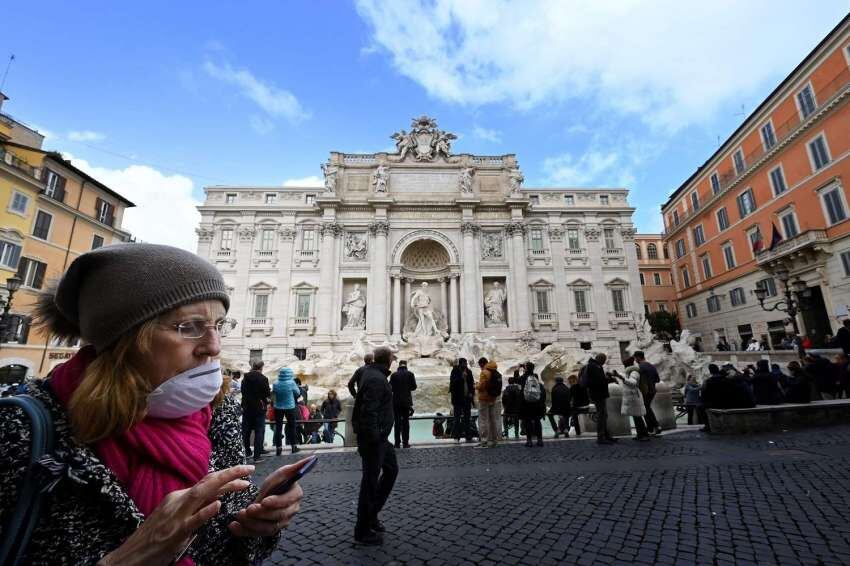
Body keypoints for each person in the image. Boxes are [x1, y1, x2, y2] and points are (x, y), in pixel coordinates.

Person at [0, 243, 303, 564]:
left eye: (219, 325)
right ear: (127, 338)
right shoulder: (20, 431)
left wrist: (255, 521)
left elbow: (230, 546)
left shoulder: (216, 413)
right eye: (190, 327)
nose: (213, 347)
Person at [352, 346, 398, 546]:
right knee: (370, 483)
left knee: (391, 470)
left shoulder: (372, 373)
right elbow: (368, 411)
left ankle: (372, 515)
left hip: (380, 437)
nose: (393, 360)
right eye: (392, 358)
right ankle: (362, 530)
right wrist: (373, 439)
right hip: (374, 439)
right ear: (387, 360)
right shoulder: (375, 379)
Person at [242, 360, 271, 462]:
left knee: (246, 430)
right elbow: (267, 393)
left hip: (247, 408)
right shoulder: (263, 379)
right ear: (261, 368)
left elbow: (243, 392)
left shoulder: (245, 378)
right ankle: (257, 455)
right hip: (259, 407)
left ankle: (247, 451)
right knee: (259, 431)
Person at [582, 353, 615, 445]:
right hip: (598, 394)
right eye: (603, 361)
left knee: (603, 415)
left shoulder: (593, 366)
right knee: (601, 415)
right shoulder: (595, 367)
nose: (604, 363)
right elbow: (599, 381)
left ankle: (606, 435)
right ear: (600, 359)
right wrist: (610, 379)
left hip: (597, 394)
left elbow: (597, 380)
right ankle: (601, 437)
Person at [273, 367, 303, 455]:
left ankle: (278, 448)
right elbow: (297, 393)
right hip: (290, 407)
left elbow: (274, 393)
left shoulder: (275, 383)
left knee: (278, 428)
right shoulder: (291, 383)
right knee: (292, 426)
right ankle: (294, 446)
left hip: (278, 407)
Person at [619, 358, 650, 441]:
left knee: (638, 417)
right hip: (632, 397)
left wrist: (622, 378)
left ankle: (644, 435)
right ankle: (640, 434)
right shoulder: (629, 372)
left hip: (634, 397)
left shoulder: (634, 372)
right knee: (636, 416)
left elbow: (633, 383)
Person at [633, 351, 662, 436]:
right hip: (652, 390)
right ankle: (653, 427)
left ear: (638, 357)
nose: (635, 360)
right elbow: (658, 380)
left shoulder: (640, 367)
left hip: (645, 391)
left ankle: (654, 427)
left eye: (635, 358)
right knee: (647, 408)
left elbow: (637, 381)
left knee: (645, 409)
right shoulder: (651, 366)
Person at [389, 360, 417, 448]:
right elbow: (414, 387)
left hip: (396, 401)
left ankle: (397, 443)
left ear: (399, 365)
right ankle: (405, 443)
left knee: (397, 422)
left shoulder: (394, 375)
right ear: (406, 365)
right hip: (406, 402)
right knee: (405, 422)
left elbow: (390, 388)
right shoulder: (410, 374)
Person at [476, 357, 502, 447]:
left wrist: (476, 386)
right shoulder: (494, 371)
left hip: (484, 399)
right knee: (492, 419)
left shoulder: (485, 372)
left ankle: (484, 440)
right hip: (493, 398)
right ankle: (494, 440)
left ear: (482, 364)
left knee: (483, 419)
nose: (480, 367)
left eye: (480, 365)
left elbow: (482, 386)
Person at [520, 362, 546, 447]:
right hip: (537, 403)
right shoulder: (535, 377)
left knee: (528, 422)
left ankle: (529, 440)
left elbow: (517, 381)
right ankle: (540, 440)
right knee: (537, 421)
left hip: (527, 404)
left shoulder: (523, 378)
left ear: (526, 368)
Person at [449, 358, 475, 443]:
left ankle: (468, 436)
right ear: (460, 364)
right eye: (464, 364)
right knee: (457, 418)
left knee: (467, 418)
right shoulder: (455, 371)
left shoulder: (469, 372)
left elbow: (472, 383)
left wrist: (472, 393)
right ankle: (456, 437)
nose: (465, 365)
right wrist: (461, 377)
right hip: (458, 399)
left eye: (466, 363)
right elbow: (453, 384)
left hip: (467, 398)